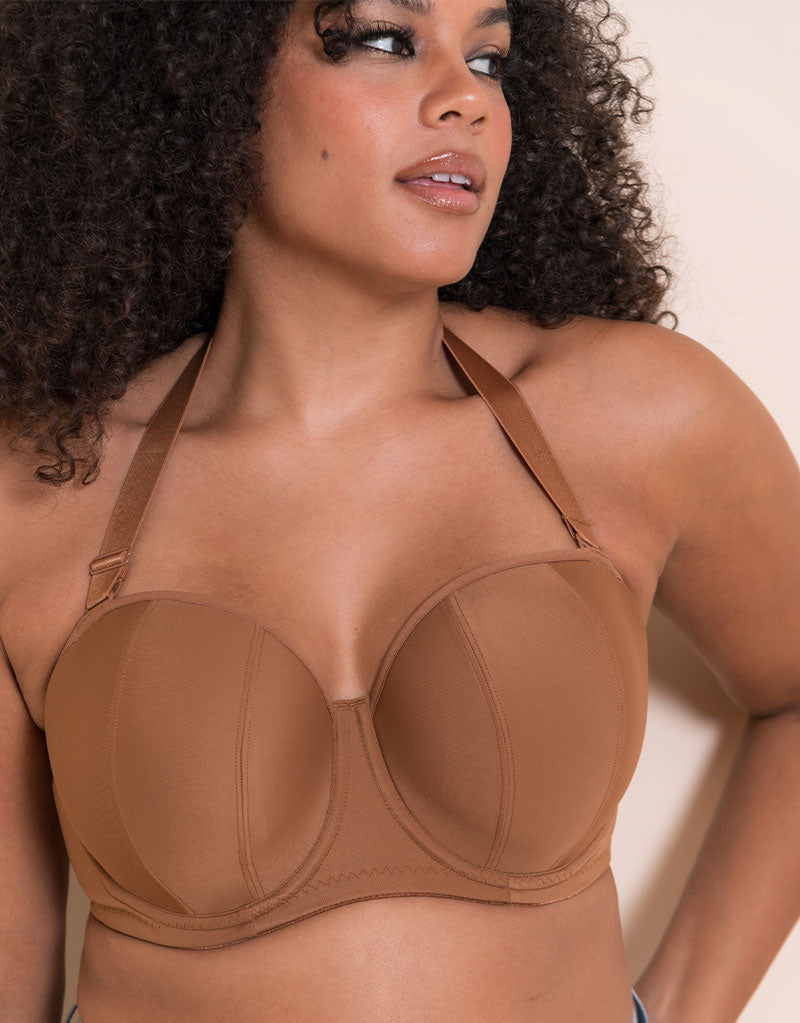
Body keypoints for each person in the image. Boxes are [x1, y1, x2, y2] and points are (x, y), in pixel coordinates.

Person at [1, 1, 798, 1021]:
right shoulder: (42, 493)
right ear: (208, 80)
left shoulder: (633, 419)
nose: (466, 98)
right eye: (384, 39)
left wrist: (685, 1008)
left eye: (490, 58)